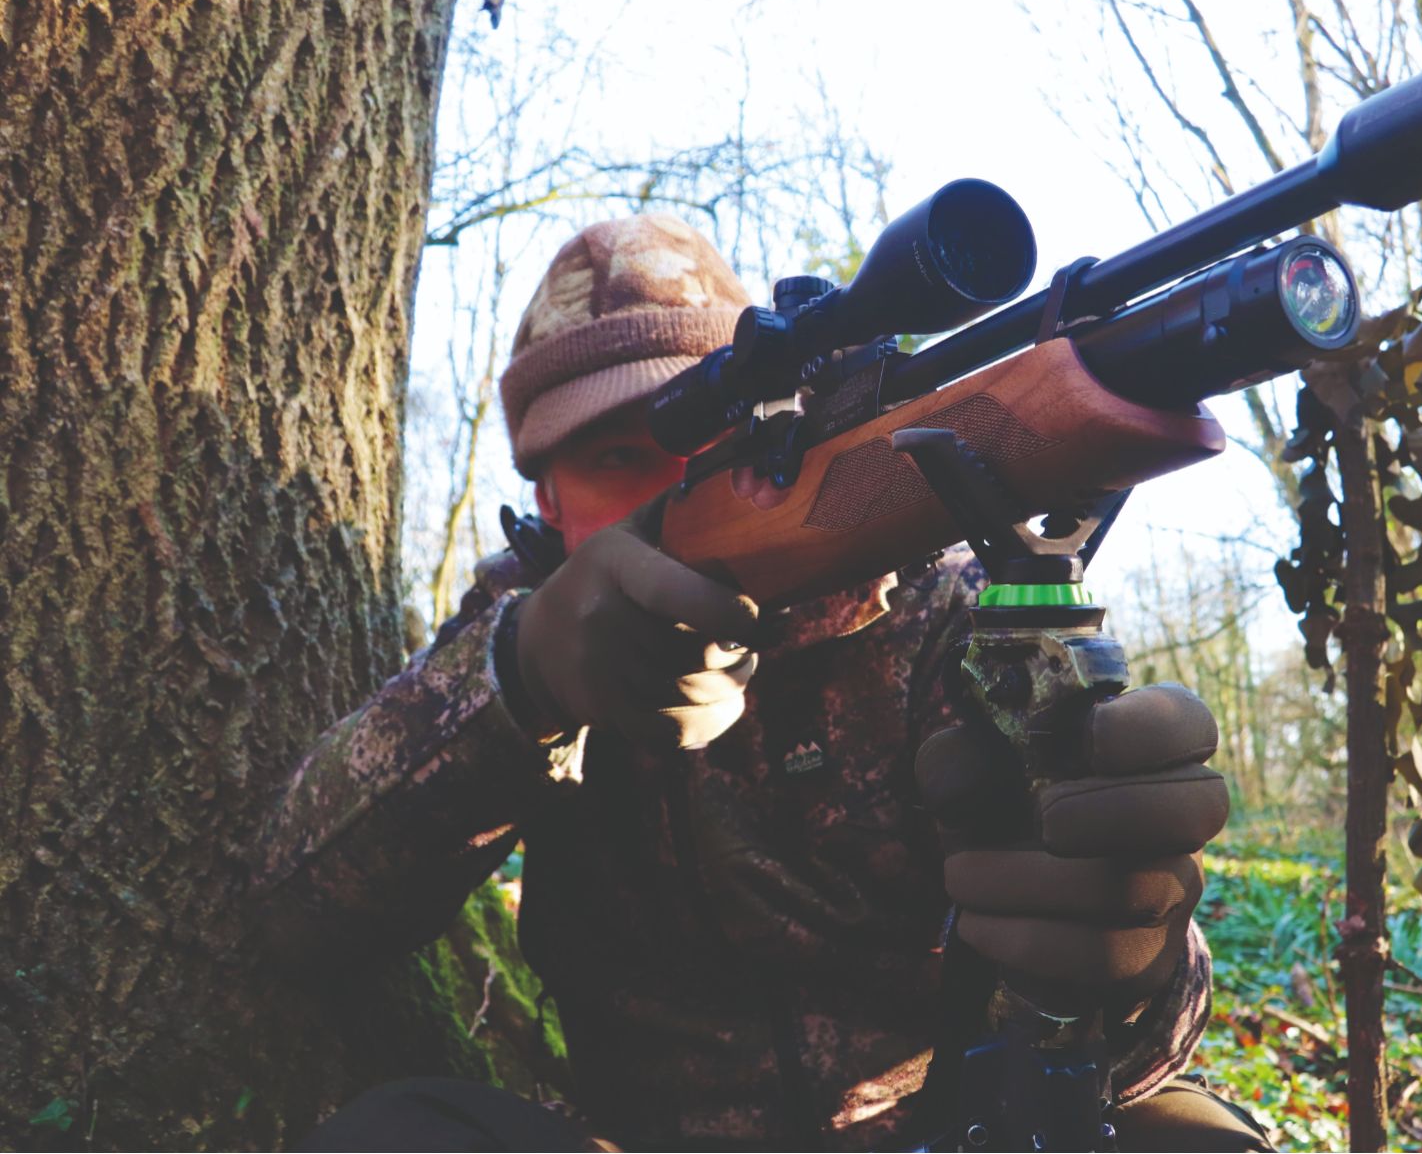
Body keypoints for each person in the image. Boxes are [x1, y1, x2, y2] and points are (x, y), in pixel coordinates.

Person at [255, 214, 1270, 1151]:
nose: (674, 483)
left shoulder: (937, 612)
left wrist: (1130, 949)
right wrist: (523, 683)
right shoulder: (515, 631)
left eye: (706, 440)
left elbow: (1132, 1055)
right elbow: (299, 917)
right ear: (546, 497)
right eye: (620, 455)